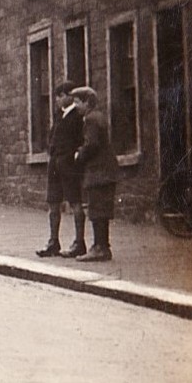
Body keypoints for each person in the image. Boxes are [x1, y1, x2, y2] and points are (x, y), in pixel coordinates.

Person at [37, 80, 88, 258]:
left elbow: (82, 141)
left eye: (60, 96)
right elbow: (52, 137)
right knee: (53, 202)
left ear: (68, 96)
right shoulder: (59, 115)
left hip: (69, 165)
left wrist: (74, 157)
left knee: (75, 202)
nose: (57, 100)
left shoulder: (77, 116)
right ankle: (53, 242)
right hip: (55, 164)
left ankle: (79, 243)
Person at [71, 86, 121, 262]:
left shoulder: (91, 119)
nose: (75, 106)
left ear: (86, 102)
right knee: (101, 209)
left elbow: (92, 145)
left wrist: (79, 154)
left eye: (77, 102)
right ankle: (101, 246)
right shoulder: (96, 116)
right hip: (104, 170)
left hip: (99, 171)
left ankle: (100, 248)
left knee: (97, 209)